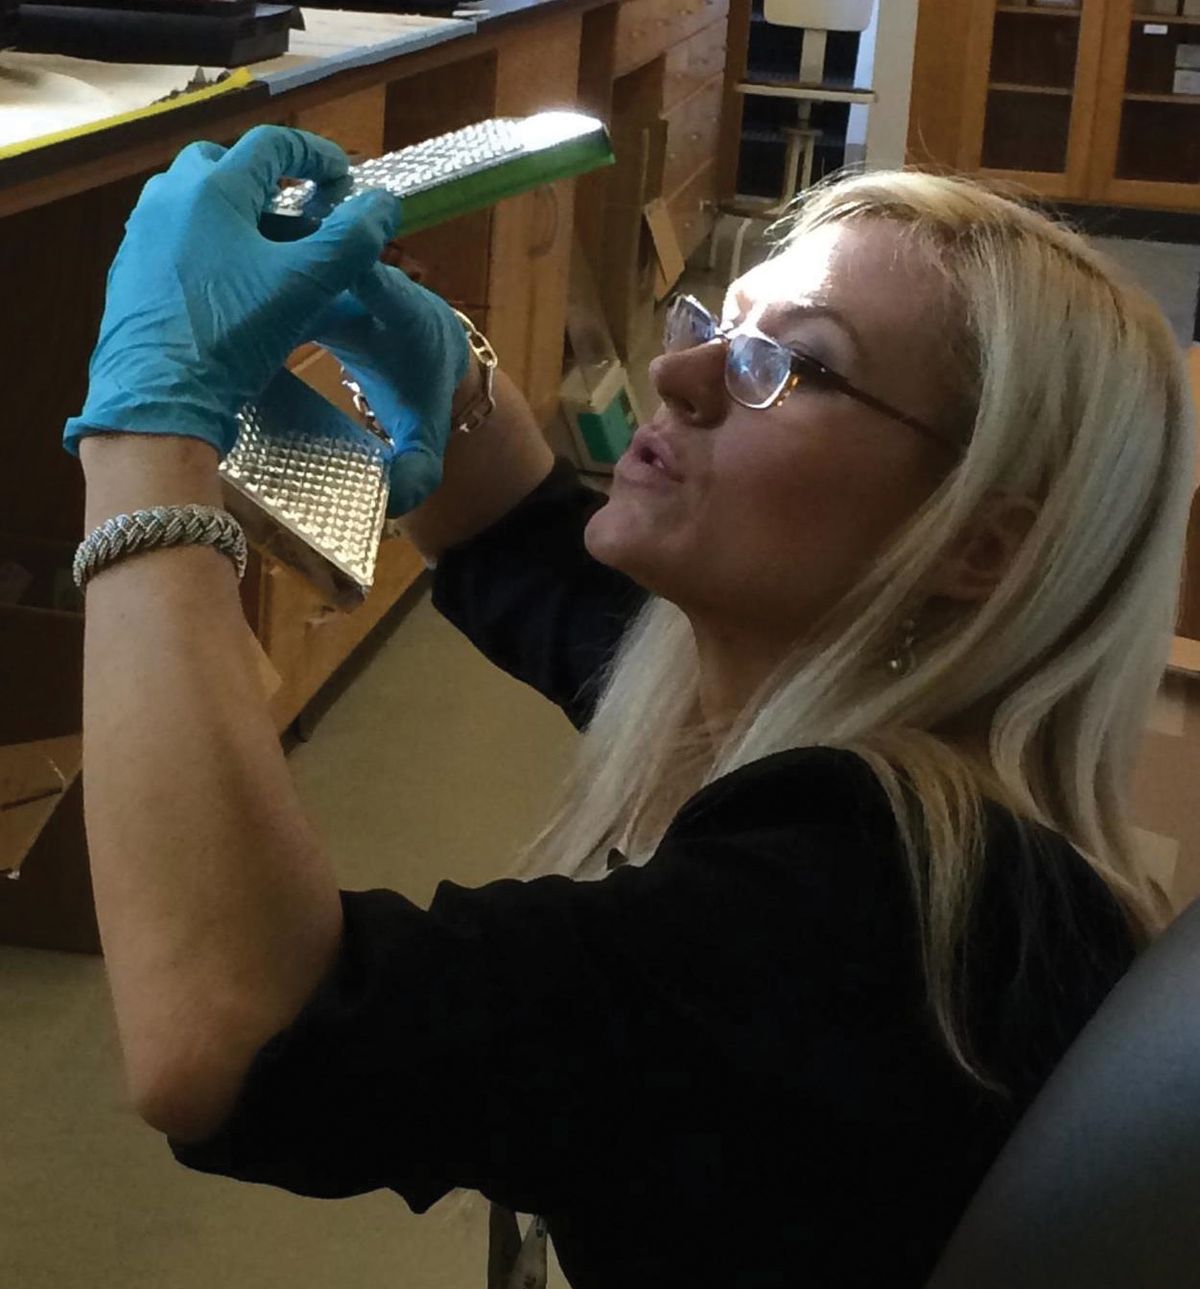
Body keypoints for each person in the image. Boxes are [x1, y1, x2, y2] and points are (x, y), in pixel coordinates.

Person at [66, 124, 1195, 1288]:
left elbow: (241, 1026)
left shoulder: (848, 923)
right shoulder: (867, 729)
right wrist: (448, 373)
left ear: (978, 542)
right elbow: (531, 548)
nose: (678, 374)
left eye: (790, 365)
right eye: (721, 323)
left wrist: (148, 429)